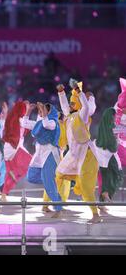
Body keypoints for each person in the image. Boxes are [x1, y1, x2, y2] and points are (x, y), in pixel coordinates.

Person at [56, 80, 101, 223]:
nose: (69, 105)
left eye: (72, 103)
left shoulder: (82, 115)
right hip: (74, 154)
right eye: (70, 103)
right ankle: (60, 206)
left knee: (87, 189)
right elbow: (64, 106)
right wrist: (61, 92)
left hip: (86, 155)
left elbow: (87, 106)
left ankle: (96, 215)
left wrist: (78, 91)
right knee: (59, 173)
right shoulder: (69, 116)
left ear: (78, 105)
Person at [22, 102, 63, 218]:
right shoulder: (38, 124)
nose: (40, 113)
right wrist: (28, 111)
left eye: (43, 111)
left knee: (48, 181)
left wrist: (44, 113)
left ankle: (58, 208)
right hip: (40, 155)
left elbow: (46, 124)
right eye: (39, 111)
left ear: (50, 112)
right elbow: (24, 123)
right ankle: (51, 182)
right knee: (31, 176)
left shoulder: (53, 123)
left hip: (50, 154)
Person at [0, 100, 32, 201]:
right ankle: (15, 172)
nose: (26, 109)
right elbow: (12, 134)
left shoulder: (17, 118)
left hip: (15, 146)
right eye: (25, 108)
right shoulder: (15, 119)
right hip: (13, 147)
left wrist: (29, 112)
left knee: (10, 175)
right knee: (29, 162)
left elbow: (25, 130)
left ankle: (4, 194)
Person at [95, 108, 124, 204]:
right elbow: (113, 148)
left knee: (104, 178)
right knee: (117, 175)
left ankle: (103, 200)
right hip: (109, 155)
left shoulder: (102, 126)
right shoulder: (112, 127)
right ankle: (106, 195)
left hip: (101, 157)